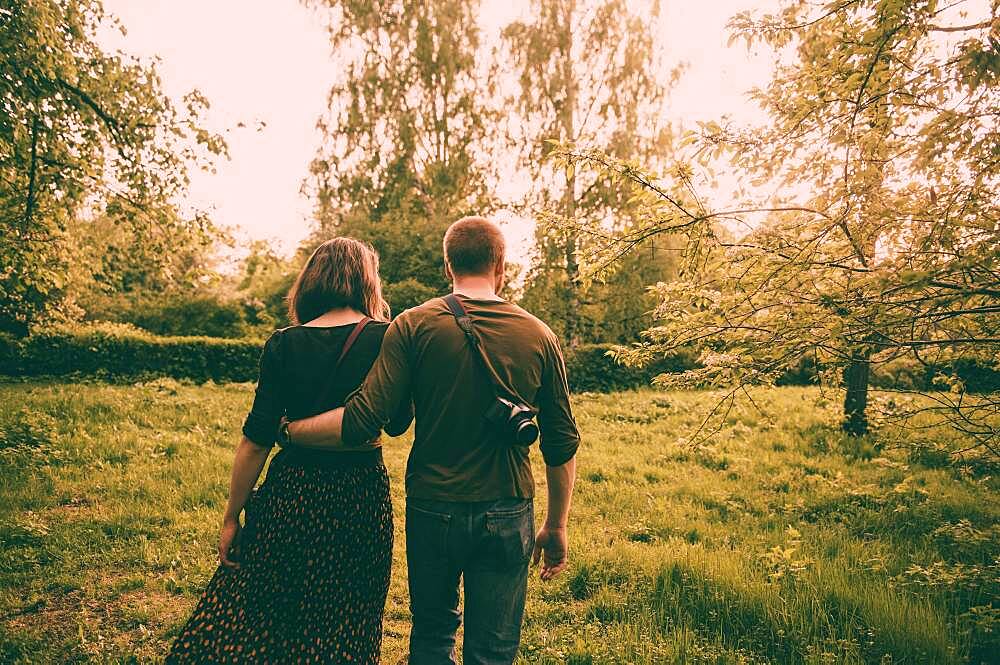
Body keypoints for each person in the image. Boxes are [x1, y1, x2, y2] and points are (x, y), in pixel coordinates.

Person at [286, 216, 580, 665]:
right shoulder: (539, 335)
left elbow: (365, 419)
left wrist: (289, 429)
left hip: (432, 505)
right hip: (507, 507)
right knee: (495, 650)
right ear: (502, 264)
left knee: (432, 636)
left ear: (448, 266)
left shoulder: (413, 325)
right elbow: (560, 445)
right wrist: (556, 526)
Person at [166, 238, 412, 664]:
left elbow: (256, 438)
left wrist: (231, 516)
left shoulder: (283, 343)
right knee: (349, 615)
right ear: (367, 281)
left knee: (273, 613)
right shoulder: (387, 338)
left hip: (291, 494)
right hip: (360, 497)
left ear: (312, 280)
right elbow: (396, 424)